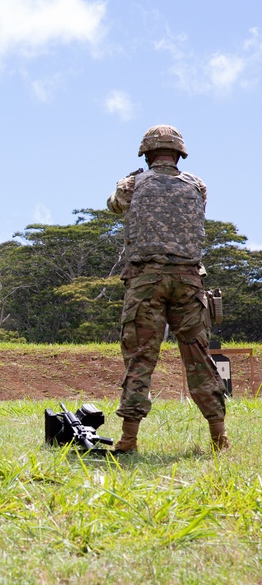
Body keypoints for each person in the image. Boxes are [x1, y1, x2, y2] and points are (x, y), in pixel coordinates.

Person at [107, 124, 229, 453]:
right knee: (199, 358)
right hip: (189, 280)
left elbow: (114, 205)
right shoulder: (198, 185)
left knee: (140, 359)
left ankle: (129, 439)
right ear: (179, 154)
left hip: (146, 280)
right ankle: (219, 437)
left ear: (146, 154)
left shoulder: (131, 184)